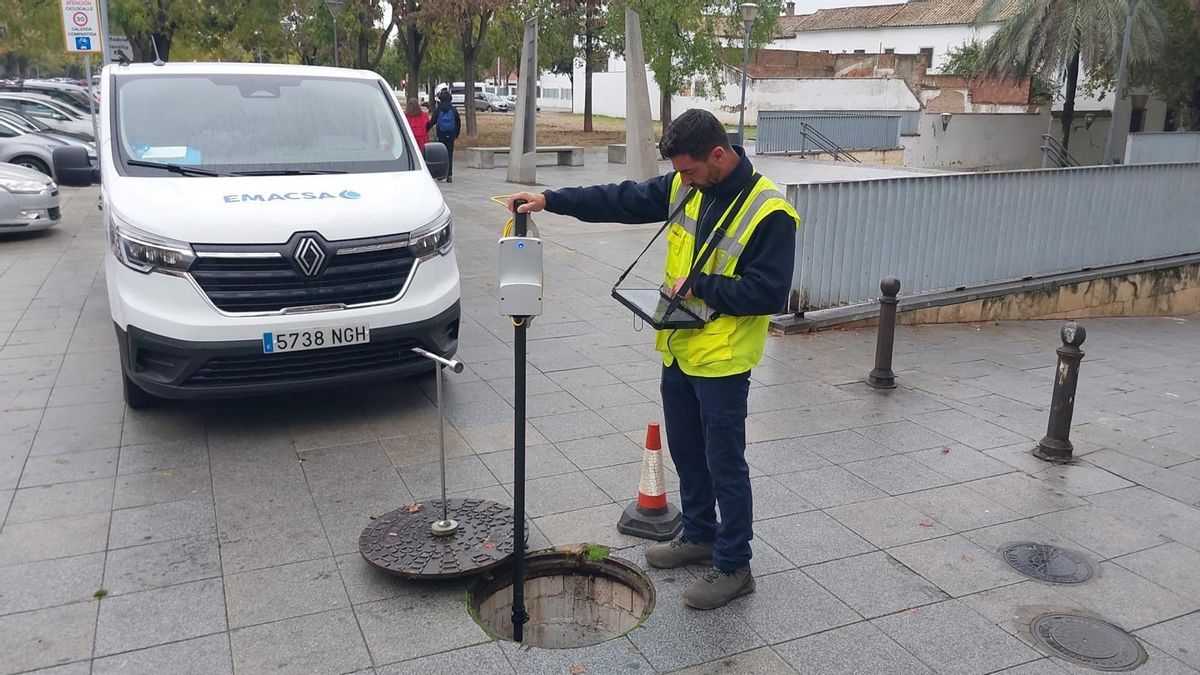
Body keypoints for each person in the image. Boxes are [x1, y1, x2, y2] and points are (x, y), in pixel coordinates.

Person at [509, 109, 799, 610]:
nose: (681, 180)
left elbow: (770, 291)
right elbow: (623, 198)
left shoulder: (770, 210)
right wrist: (550, 200)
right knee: (687, 454)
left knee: (724, 463)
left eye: (687, 170)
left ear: (719, 154)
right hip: (679, 348)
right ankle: (700, 535)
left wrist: (702, 285)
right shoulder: (687, 185)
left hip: (724, 361)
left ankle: (734, 565)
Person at [426, 89, 460, 183]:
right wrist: (457, 134)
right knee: (449, 154)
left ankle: (441, 174)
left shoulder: (438, 109)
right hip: (451, 134)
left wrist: (426, 129)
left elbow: (433, 121)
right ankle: (449, 175)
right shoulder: (453, 109)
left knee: (441, 154)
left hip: (441, 133)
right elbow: (458, 122)